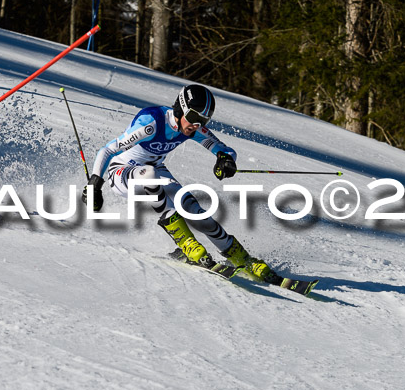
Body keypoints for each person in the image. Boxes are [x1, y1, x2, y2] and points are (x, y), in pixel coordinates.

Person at [82, 84, 282, 285]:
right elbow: (108, 150)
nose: (197, 125)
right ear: (180, 110)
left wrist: (225, 159)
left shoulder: (190, 128)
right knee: (149, 173)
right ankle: (185, 242)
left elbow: (223, 149)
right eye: (195, 118)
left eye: (203, 121)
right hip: (122, 172)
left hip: (155, 169)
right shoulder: (151, 122)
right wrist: (94, 184)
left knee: (193, 209)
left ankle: (242, 259)